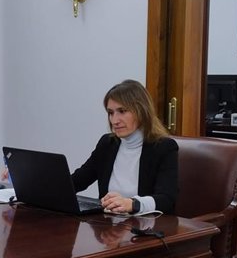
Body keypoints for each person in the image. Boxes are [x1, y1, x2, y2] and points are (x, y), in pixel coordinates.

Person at [70, 79, 178, 215]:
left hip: (145, 228)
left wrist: (132, 204)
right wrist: (44, 190)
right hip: (108, 227)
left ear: (141, 111)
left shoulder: (163, 147)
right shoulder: (107, 144)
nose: (115, 120)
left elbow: (167, 199)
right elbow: (78, 181)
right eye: (111, 113)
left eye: (122, 111)